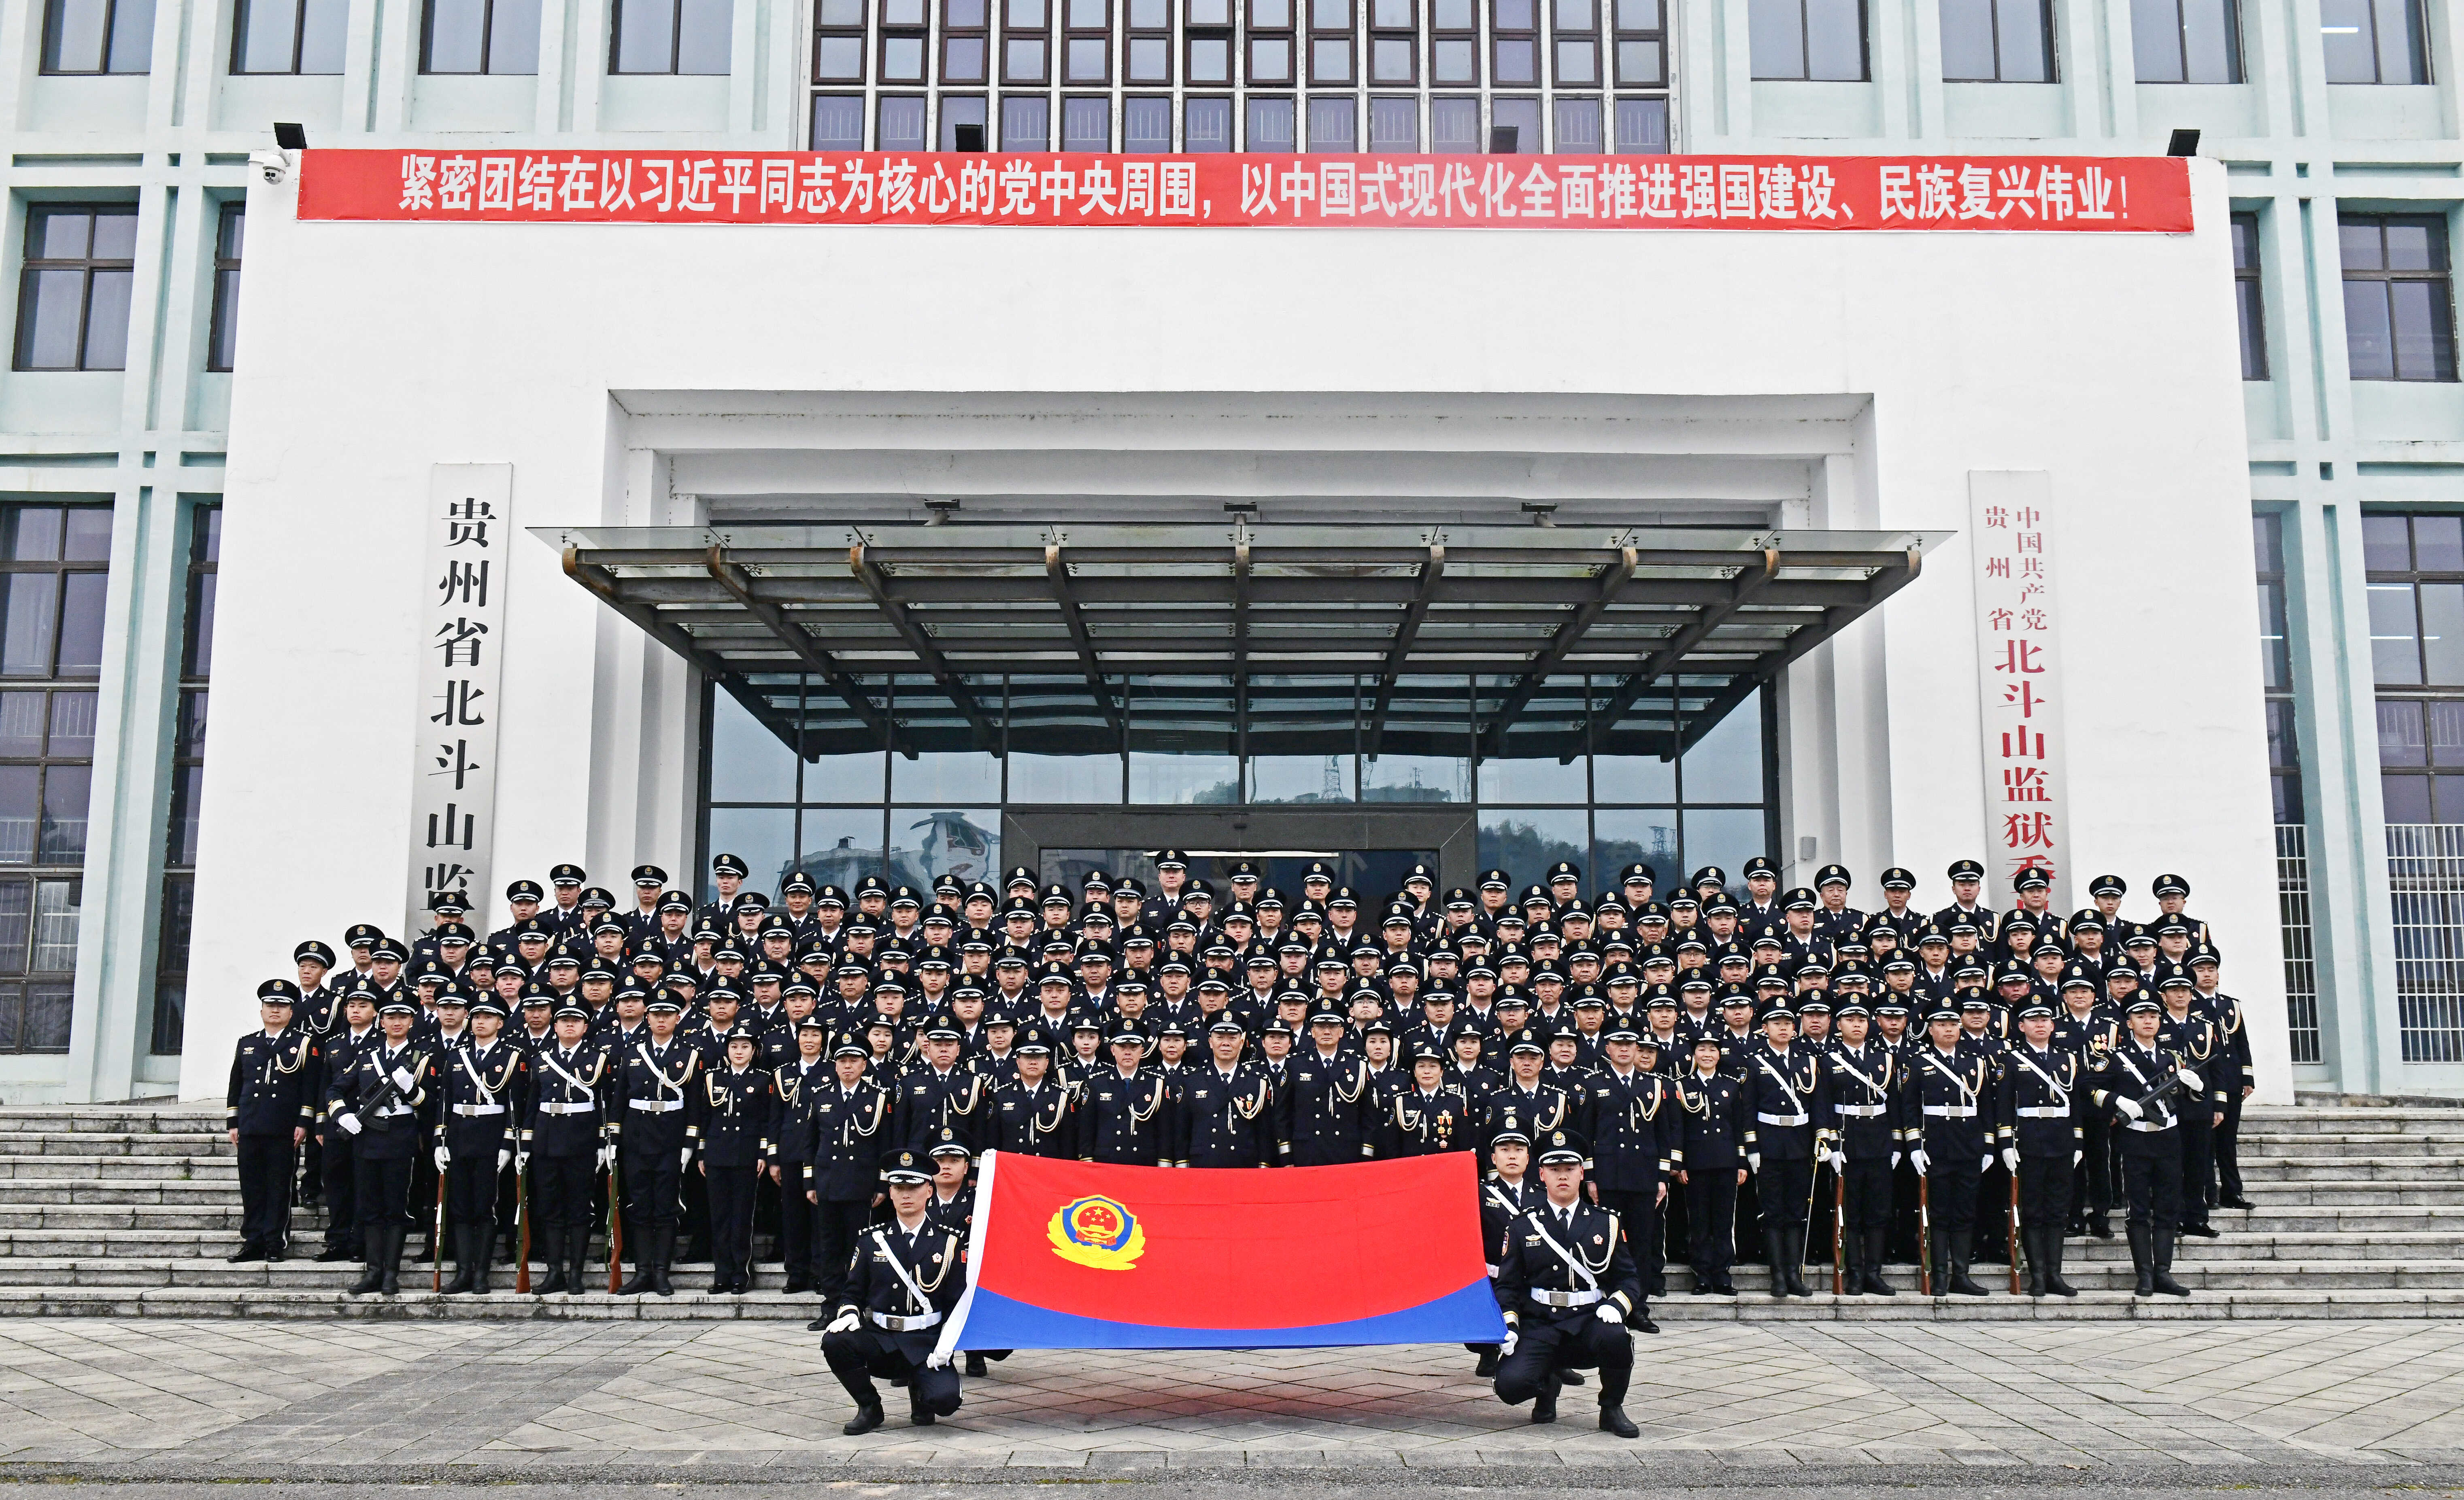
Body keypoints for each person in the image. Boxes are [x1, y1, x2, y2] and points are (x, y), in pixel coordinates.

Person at [1489, 1130, 1642, 1438]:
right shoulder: (1522, 1226)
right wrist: (1510, 1324)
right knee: (1509, 1387)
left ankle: (1611, 1408)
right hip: (1540, 1322)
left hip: (1587, 1318)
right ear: (1541, 1174)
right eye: (1554, 1170)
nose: (1563, 1177)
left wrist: (1617, 1304)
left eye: (1570, 1170)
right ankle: (1546, 1386)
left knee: (1616, 1340)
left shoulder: (1606, 1222)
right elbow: (1507, 1285)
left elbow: (1628, 1278)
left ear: (1581, 1173)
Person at [821, 1148, 969, 1434]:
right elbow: (852, 1292)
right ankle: (869, 1407)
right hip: (883, 1339)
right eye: (898, 1187)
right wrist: (849, 1313)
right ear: (890, 1193)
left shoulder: (948, 1242)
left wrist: (947, 1345)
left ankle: (922, 1393)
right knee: (834, 1341)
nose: (906, 1195)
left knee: (945, 1402)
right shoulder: (871, 1240)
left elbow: (956, 1302)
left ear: (929, 1190)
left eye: (913, 1188)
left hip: (927, 1342)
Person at [331, 995, 440, 1296]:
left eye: (403, 1017)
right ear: (382, 1021)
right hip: (367, 1136)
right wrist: (343, 1114)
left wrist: (411, 1089)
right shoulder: (367, 1056)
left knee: (395, 1208)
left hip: (401, 1138)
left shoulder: (421, 1058)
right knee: (368, 1207)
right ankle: (373, 1271)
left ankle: (391, 1273)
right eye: (390, 1016)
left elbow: (430, 1104)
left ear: (411, 1022)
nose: (396, 1022)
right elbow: (336, 1088)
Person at [2096, 995, 2195, 1297]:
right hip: (2135, 1139)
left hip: (2168, 1138)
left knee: (2168, 1206)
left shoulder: (2171, 1058)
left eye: (2153, 1015)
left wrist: (2197, 1089)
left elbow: (2185, 1098)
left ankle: (2163, 1272)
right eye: (2140, 1016)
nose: (2148, 1020)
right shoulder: (2115, 1058)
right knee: (2138, 1208)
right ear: (2129, 1023)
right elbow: (2089, 1087)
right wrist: (2117, 1101)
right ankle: (2145, 1275)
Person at [612, 990, 702, 1296]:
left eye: (668, 1015)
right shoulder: (631, 1052)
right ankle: (642, 1272)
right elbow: (619, 1098)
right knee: (638, 1204)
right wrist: (613, 1137)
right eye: (656, 1015)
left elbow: (694, 1103)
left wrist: (690, 1142)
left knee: (666, 1205)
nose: (661, 1020)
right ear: (647, 1018)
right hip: (637, 1133)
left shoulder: (689, 1054)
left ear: (678, 1018)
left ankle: (662, 1272)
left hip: (671, 1135)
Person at [437, 994, 528, 1294]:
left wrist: (507, 1144)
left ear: (500, 1023)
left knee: (485, 1208)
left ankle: (482, 1274)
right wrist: (441, 1139)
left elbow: (515, 1104)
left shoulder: (512, 1055)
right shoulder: (456, 1054)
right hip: (460, 1135)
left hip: (491, 1137)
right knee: (460, 1208)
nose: (480, 1022)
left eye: (488, 1017)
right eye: (476, 1016)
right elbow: (445, 1101)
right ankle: (464, 1272)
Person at [1903, 1000, 1992, 1297]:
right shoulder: (1918, 1062)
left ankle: (1961, 1275)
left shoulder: (1975, 1061)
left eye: (1953, 1024)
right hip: (1936, 1144)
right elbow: (1910, 1108)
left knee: (1965, 1212)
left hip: (1968, 1143)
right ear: (1930, 1029)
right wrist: (1915, 1145)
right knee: (1939, 1213)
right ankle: (1939, 1274)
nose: (1948, 1029)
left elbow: (1987, 1107)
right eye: (1941, 1024)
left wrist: (1989, 1146)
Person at [1996, 1000, 2082, 1297]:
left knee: (2058, 1210)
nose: (2040, 1024)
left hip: (2061, 1139)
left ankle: (2054, 1274)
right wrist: (2006, 1143)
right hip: (2028, 1141)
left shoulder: (2067, 1059)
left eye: (2045, 1018)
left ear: (2052, 1024)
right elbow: (2004, 1105)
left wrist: (2078, 1140)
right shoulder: (2010, 1060)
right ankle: (2038, 1276)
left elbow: (2076, 1103)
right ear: (2021, 1026)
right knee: (2032, 1211)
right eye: (2033, 1020)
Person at [225, 979, 314, 1263]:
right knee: (251, 1186)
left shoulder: (303, 1043)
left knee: (279, 1187)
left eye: (282, 1005)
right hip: (251, 1125)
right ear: (262, 1009)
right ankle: (253, 1240)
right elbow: (236, 1085)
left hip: (283, 1127)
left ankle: (275, 1241)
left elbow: (309, 1087)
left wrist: (304, 1121)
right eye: (270, 1005)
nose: (275, 1010)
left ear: (292, 1010)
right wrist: (234, 1122)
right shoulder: (248, 1043)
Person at [526, 999, 609, 1296]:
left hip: (581, 1140)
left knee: (578, 1209)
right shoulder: (541, 1058)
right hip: (547, 1139)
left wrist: (602, 1142)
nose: (569, 1025)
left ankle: (576, 1274)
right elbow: (532, 1104)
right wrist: (525, 1144)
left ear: (585, 1027)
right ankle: (554, 1272)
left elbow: (603, 1105)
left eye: (576, 1020)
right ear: (555, 1025)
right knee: (550, 1208)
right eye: (564, 1020)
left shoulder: (597, 1058)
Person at [1742, 1002, 1824, 1299]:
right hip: (1769, 1143)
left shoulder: (1807, 1061)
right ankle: (1777, 1274)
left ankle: (1794, 1274)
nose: (1784, 1028)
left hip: (1800, 1143)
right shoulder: (1754, 1063)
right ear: (1764, 1028)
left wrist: (1822, 1137)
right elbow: (1748, 1109)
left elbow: (1818, 1105)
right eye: (1776, 1023)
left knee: (1796, 1212)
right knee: (1772, 1211)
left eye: (1788, 1023)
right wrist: (1751, 1146)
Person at [701, 1025, 777, 1294]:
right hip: (717, 1154)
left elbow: (767, 1120)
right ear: (727, 1050)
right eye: (734, 1046)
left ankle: (740, 1275)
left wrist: (762, 1153)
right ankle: (721, 1275)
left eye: (745, 1047)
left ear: (754, 1051)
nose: (739, 1051)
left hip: (746, 1155)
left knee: (742, 1217)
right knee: (719, 1217)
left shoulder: (763, 1079)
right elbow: (705, 1117)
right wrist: (701, 1152)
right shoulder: (713, 1077)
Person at [1672, 1035, 1743, 1295]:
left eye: (1712, 1050)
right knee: (1699, 1222)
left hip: (1725, 1162)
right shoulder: (1682, 1085)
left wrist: (1742, 1162)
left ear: (1719, 1055)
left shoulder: (1732, 1086)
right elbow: (1678, 1129)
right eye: (1702, 1049)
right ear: (1694, 1055)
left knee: (1724, 1222)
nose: (1707, 1054)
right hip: (1696, 1164)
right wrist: (1679, 1164)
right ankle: (1702, 1274)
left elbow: (1739, 1127)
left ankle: (1723, 1275)